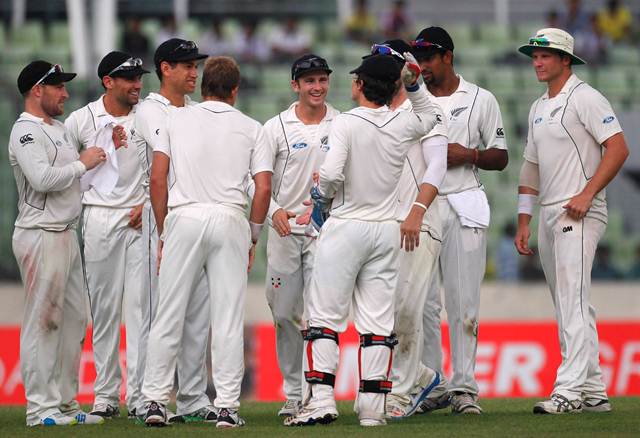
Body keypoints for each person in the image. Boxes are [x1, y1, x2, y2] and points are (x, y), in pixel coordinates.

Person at [285, 53, 443, 427]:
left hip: (347, 224)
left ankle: (321, 400)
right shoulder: (402, 122)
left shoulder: (346, 123)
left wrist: (319, 194)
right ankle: (373, 409)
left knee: (324, 316)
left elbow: (332, 174)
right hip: (386, 227)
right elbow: (433, 116)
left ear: (360, 85)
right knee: (376, 321)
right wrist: (415, 84)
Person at [141, 56, 272, 428]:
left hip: (184, 215)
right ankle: (227, 407)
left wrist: (166, 230)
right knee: (227, 317)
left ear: (203, 88)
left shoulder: (173, 119)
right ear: (235, 90)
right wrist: (253, 236)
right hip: (230, 217)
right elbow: (262, 188)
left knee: (169, 312)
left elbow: (157, 179)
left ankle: (154, 401)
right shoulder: (252, 127)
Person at [515, 27, 629, 414]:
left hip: (580, 210)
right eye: (534, 55)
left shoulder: (586, 98)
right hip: (549, 211)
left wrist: (586, 194)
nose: (537, 62)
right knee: (567, 302)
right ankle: (594, 390)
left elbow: (618, 148)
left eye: (545, 55)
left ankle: (569, 390)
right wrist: (524, 220)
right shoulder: (537, 106)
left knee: (572, 299)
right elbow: (530, 167)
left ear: (566, 59)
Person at [413, 27, 509, 415]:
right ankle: (434, 383)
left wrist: (467, 154)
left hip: (465, 202)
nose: (423, 68)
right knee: (422, 304)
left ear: (448, 57)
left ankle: (465, 387)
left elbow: (500, 157)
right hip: (423, 206)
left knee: (463, 300)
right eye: (418, 61)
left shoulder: (481, 99)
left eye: (429, 60)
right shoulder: (411, 102)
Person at [9, 60, 106, 426]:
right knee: (43, 320)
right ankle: (40, 410)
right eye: (58, 87)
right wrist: (83, 164)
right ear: (38, 90)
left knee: (74, 320)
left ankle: (66, 404)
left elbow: (69, 183)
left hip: (65, 232)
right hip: (39, 234)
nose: (65, 93)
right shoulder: (26, 132)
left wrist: (95, 162)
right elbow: (43, 179)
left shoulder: (61, 129)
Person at [132, 38, 216, 423]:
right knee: (163, 313)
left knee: (198, 312)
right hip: (161, 219)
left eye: (196, 66)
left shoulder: (197, 110)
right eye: (186, 65)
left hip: (195, 218)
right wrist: (165, 232)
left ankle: (193, 397)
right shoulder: (151, 110)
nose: (194, 72)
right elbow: (157, 175)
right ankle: (150, 398)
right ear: (165, 68)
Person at [365, 40, 448, 420]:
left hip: (419, 222)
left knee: (407, 310)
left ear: (405, 70)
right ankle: (424, 377)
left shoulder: (426, 110)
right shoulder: (372, 113)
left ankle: (399, 393)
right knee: (382, 315)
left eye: (387, 65)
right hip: (383, 225)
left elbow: (436, 166)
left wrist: (416, 211)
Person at [65, 51, 148, 419]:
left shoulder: (150, 114)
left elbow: (170, 166)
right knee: (104, 312)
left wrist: (147, 204)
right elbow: (64, 172)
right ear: (107, 81)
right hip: (98, 217)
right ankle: (105, 394)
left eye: (138, 77)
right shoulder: (81, 120)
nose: (136, 84)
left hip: (141, 218)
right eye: (128, 78)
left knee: (141, 311)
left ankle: (143, 395)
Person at [260, 54, 339, 417]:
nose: (317, 87)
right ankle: (293, 391)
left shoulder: (342, 123)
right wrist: (274, 208)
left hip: (325, 231)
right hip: (285, 230)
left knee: (319, 315)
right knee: (286, 313)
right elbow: (254, 179)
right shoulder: (275, 127)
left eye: (322, 79)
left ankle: (315, 393)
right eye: (309, 81)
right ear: (295, 85)